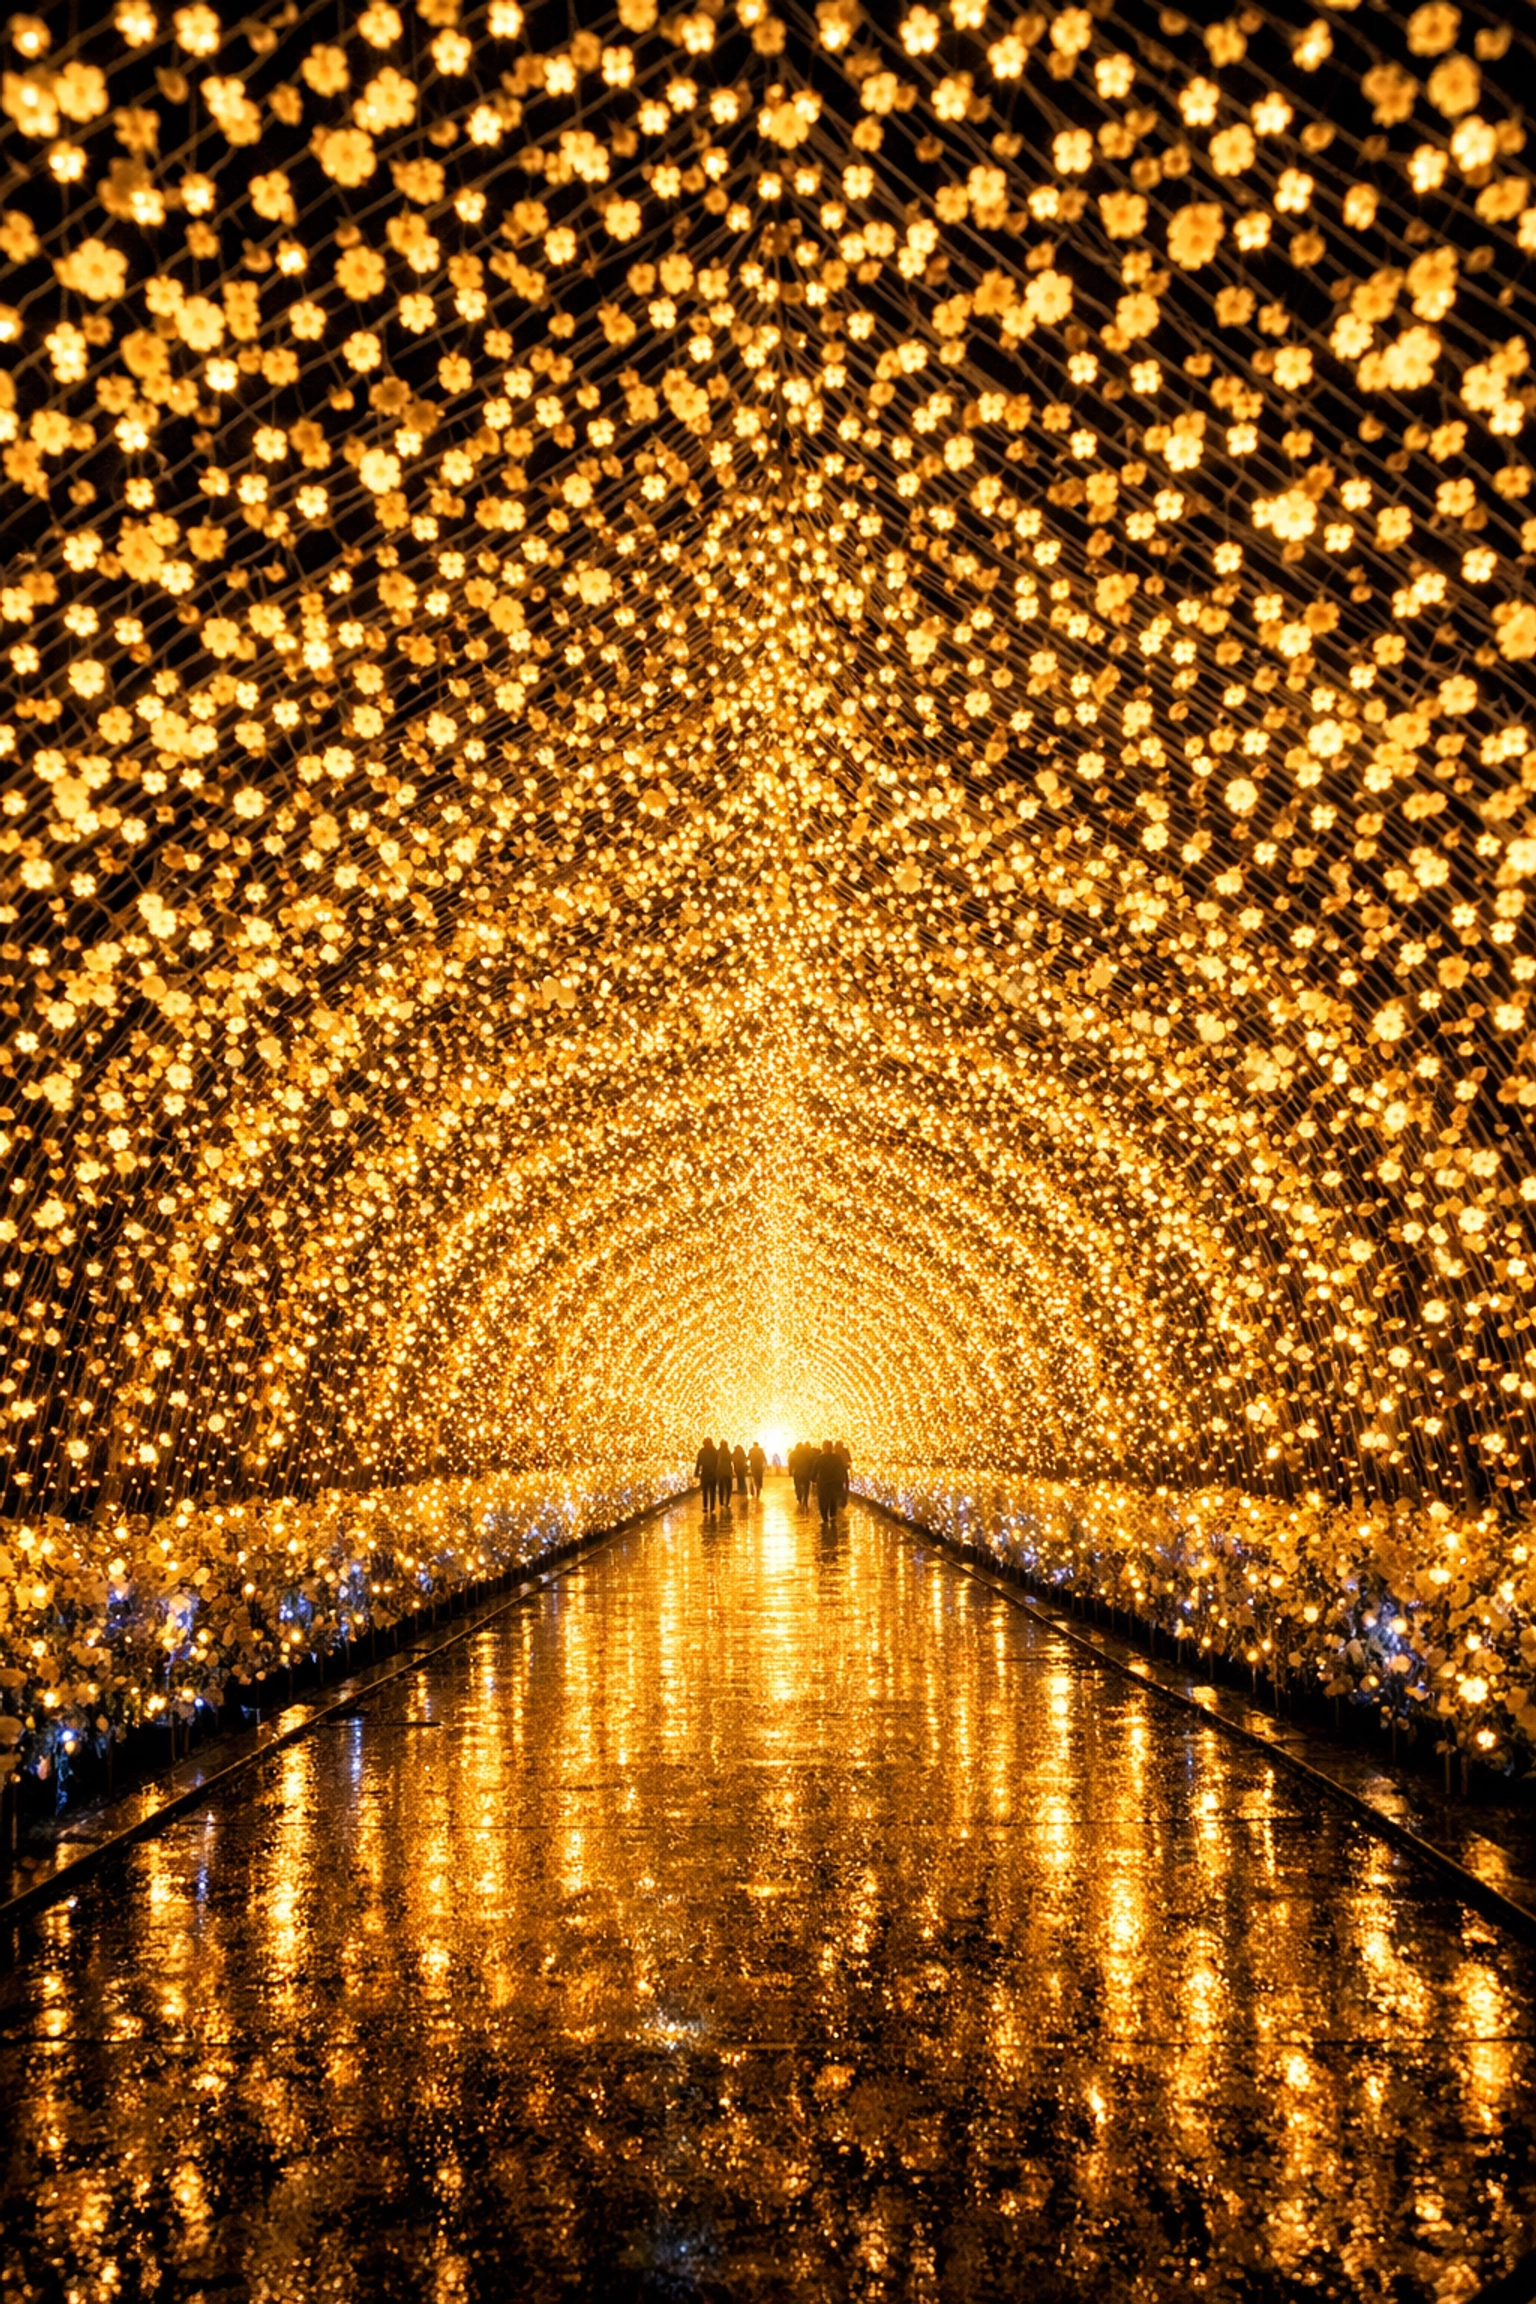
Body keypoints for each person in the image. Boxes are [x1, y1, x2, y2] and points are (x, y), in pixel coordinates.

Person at [815, 1437, 845, 1530]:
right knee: (833, 1499)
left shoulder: (820, 1458)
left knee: (822, 1500)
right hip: (834, 1482)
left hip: (823, 1483)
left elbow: (814, 1470)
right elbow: (842, 1469)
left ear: (823, 1447)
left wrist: (813, 1478)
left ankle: (824, 1518)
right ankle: (832, 1517)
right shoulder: (837, 1458)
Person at [695, 1435, 718, 1514]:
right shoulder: (714, 1451)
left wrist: (696, 1472)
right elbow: (717, 1462)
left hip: (705, 1473)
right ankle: (712, 1507)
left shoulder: (702, 1451)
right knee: (712, 1491)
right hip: (712, 1473)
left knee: (705, 1491)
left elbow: (698, 1463)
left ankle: (705, 1506)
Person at [716, 1439, 733, 1512]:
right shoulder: (728, 1452)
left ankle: (721, 1502)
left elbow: (716, 1462)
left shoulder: (717, 1452)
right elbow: (731, 1461)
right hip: (728, 1472)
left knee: (721, 1488)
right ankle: (727, 1502)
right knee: (729, 1488)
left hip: (720, 1473)